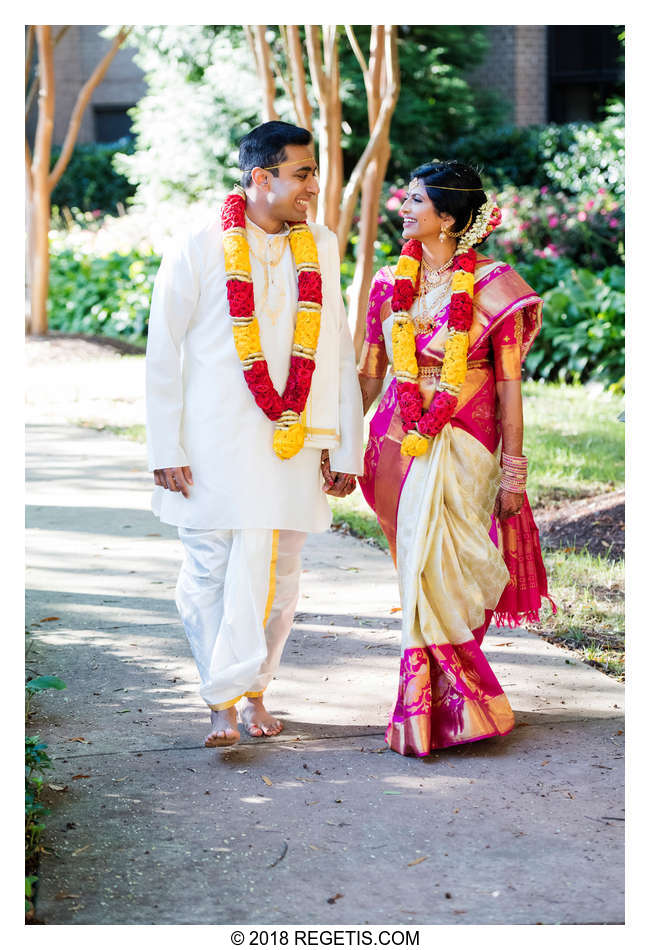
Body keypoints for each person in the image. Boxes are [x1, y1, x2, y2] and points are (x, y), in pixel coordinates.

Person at [146, 121, 363, 748]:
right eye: (301, 173)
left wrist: (342, 443)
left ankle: (257, 688)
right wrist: (166, 447)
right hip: (211, 442)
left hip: (292, 439)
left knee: (281, 572)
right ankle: (221, 700)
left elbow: (337, 349)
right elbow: (162, 349)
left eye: (314, 173)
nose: (314, 186)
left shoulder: (318, 244)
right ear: (260, 177)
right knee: (210, 568)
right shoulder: (199, 244)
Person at [357, 161, 554, 757]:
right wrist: (338, 442)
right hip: (395, 445)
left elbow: (511, 388)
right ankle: (431, 705)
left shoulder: (496, 287)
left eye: (417, 200)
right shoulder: (390, 282)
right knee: (416, 568)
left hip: (466, 442)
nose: (405, 207)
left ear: (448, 217)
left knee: (449, 570)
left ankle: (454, 703)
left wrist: (515, 471)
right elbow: (370, 376)